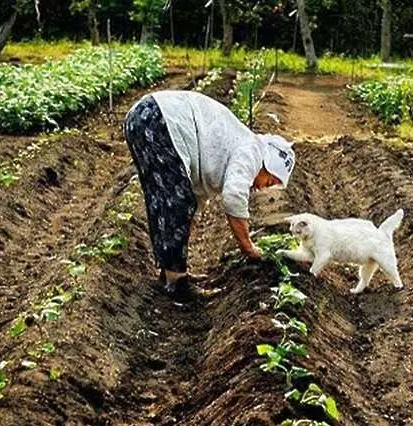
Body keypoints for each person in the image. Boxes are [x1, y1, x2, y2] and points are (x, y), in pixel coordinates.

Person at [124, 90, 295, 297]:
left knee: (167, 201)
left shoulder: (240, 147)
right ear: (267, 165)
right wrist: (248, 247)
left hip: (145, 118)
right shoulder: (252, 152)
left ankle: (170, 272)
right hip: (159, 118)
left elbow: (194, 203)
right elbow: (233, 197)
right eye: (270, 180)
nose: (264, 187)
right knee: (175, 201)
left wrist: (186, 225)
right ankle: (177, 281)